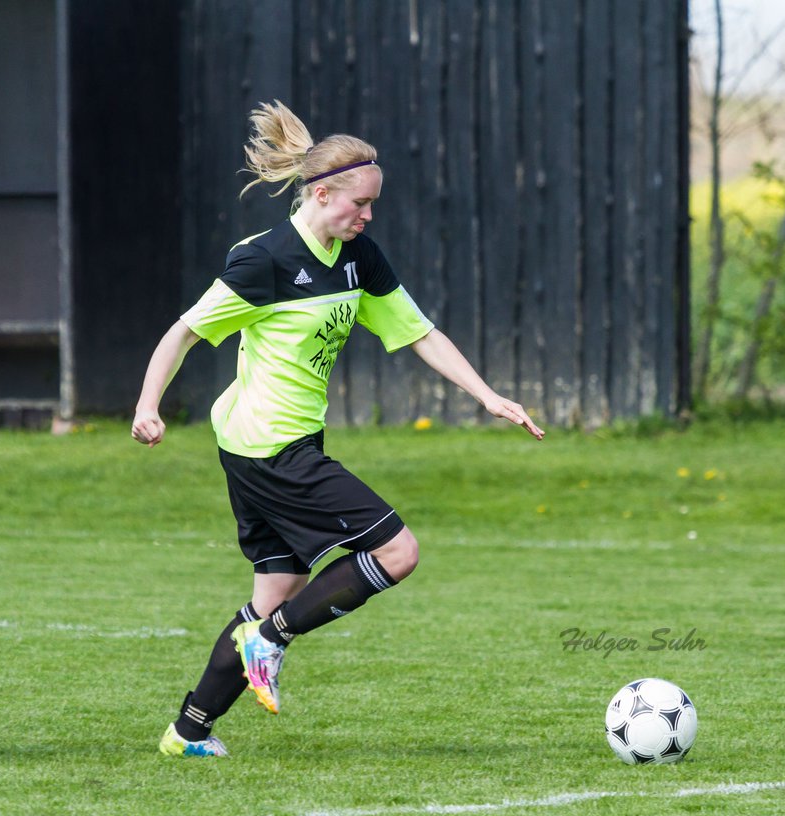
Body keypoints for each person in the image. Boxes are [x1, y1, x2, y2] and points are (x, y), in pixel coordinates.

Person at [132, 101, 545, 758]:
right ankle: (270, 640)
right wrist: (148, 404)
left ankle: (187, 732)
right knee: (397, 552)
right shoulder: (264, 262)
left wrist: (488, 395)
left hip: (267, 444)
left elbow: (419, 332)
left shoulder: (358, 258)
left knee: (272, 595)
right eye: (360, 204)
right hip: (272, 448)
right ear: (321, 193)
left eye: (373, 204)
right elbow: (183, 332)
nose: (368, 216)